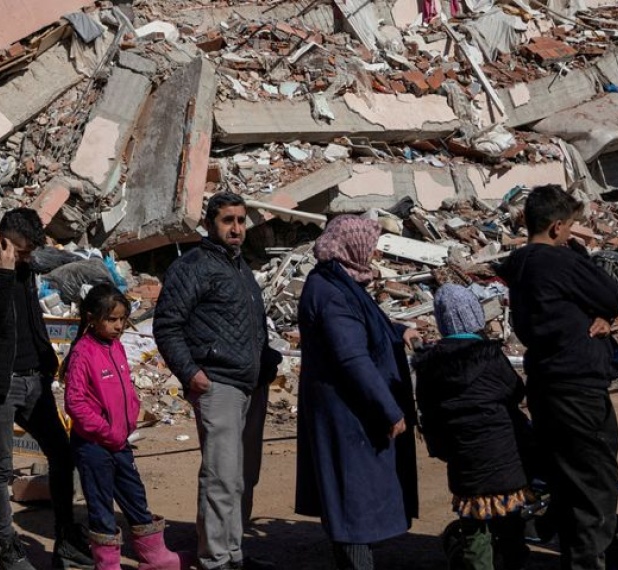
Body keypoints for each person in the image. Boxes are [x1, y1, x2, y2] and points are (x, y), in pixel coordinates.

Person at [0, 208, 92, 570]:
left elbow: (30, 315)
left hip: (33, 379)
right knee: (0, 468)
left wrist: (46, 361)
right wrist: (2, 274)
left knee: (61, 453)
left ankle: (66, 538)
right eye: (22, 251)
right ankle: (8, 546)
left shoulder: (24, 265)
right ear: (3, 240)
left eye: (27, 253)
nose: (26, 259)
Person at [497, 185, 618, 570]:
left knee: (570, 480)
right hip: (577, 386)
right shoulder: (558, 261)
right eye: (570, 227)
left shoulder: (519, 264)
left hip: (549, 382)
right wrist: (578, 258)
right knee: (594, 486)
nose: (573, 234)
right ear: (556, 227)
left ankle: (579, 554)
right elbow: (612, 297)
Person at [154, 192, 281, 570]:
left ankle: (234, 554)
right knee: (221, 477)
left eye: (241, 221)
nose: (237, 229)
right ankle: (215, 558)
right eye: (228, 221)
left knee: (243, 477)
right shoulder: (193, 266)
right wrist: (191, 374)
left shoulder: (239, 267)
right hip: (218, 384)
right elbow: (167, 324)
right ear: (211, 223)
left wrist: (267, 363)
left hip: (251, 385)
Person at [293, 215, 419, 570]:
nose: (374, 253)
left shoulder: (339, 282)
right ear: (353, 246)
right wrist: (389, 409)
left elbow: (362, 323)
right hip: (347, 415)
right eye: (371, 246)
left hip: (349, 413)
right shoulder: (331, 291)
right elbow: (351, 357)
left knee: (354, 499)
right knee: (352, 504)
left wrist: (399, 330)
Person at [413, 284, 532, 569]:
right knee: (511, 526)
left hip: (464, 459)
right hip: (504, 455)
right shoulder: (490, 355)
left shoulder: (429, 364)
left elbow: (427, 411)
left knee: (475, 532)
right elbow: (515, 391)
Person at [64, 284, 181, 570]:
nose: (118, 326)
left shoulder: (115, 346)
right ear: (92, 318)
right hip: (94, 446)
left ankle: (154, 556)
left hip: (119, 442)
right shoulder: (83, 353)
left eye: (122, 319)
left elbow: (124, 385)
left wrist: (132, 408)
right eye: (111, 319)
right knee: (101, 506)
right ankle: (108, 564)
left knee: (134, 496)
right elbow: (75, 403)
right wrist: (107, 431)